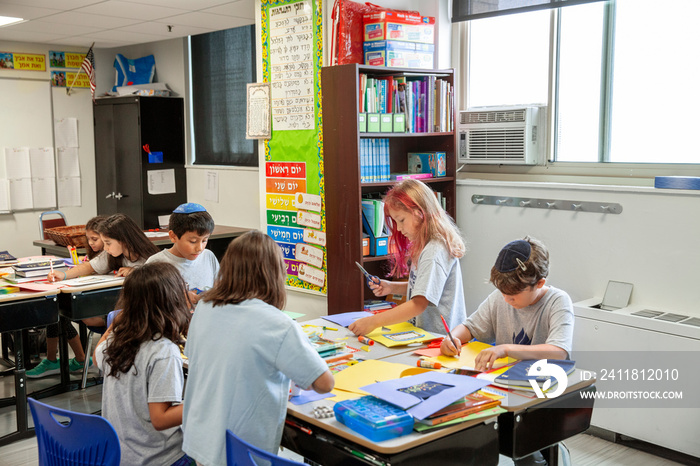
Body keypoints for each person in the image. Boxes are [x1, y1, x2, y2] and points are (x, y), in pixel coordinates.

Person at [182, 230, 334, 466]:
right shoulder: (278, 323)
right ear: (274, 273)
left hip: (202, 439)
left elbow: (196, 355)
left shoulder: (205, 306)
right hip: (242, 451)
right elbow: (325, 383)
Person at [94, 262, 194, 466]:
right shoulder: (164, 351)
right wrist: (202, 403)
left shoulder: (115, 340)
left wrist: (118, 321)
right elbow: (161, 419)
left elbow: (96, 357)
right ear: (173, 301)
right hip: (158, 459)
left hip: (120, 456)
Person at [349, 179, 467, 336]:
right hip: (426, 335)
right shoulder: (425, 245)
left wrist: (373, 321)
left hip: (441, 340)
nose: (398, 228)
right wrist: (391, 287)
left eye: (401, 220)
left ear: (419, 213)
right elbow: (424, 288)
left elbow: (419, 304)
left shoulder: (434, 251)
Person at [440, 236, 574, 372]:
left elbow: (559, 352)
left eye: (514, 294)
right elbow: (470, 328)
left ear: (540, 283)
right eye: (503, 292)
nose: (506, 299)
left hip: (543, 380)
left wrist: (506, 349)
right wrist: (452, 338)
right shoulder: (500, 297)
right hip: (503, 377)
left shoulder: (558, 301)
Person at [27, 215, 107, 378]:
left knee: (61, 314)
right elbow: (86, 268)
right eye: (88, 239)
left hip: (103, 311)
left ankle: (76, 359)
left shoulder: (109, 257)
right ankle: (66, 359)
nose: (91, 243)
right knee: (57, 312)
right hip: (90, 304)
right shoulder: (93, 256)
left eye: (95, 239)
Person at [146, 203, 219, 304]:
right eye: (193, 241)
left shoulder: (208, 256)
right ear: (173, 236)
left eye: (204, 240)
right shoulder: (156, 263)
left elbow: (219, 290)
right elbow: (148, 305)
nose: (200, 248)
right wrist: (179, 299)